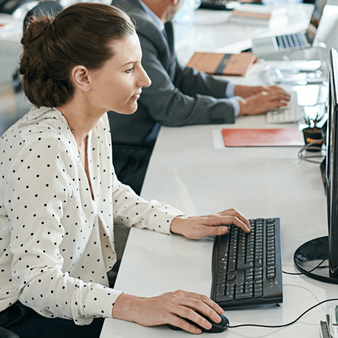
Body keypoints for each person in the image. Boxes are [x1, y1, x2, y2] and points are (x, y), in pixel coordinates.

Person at [0, 3, 250, 337]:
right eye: (129, 68)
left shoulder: (94, 118)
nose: (145, 79)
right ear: (83, 77)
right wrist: (135, 305)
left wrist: (178, 221)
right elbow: (35, 282)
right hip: (24, 312)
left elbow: (107, 191)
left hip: (80, 284)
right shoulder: (43, 148)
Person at [109, 0, 291, 194]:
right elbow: (170, 108)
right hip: (130, 155)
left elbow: (177, 74)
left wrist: (236, 90)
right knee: (221, 171)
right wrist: (242, 107)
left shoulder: (153, 19)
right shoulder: (135, 26)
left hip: (148, 139)